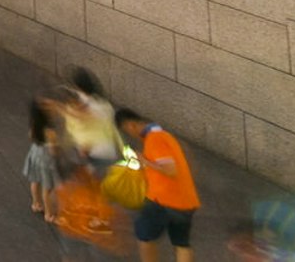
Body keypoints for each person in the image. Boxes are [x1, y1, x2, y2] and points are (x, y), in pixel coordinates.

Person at [117, 109, 199, 262]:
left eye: (126, 130)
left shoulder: (155, 139)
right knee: (181, 243)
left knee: (144, 237)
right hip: (186, 201)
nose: (130, 134)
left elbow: (170, 169)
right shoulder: (165, 136)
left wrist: (144, 161)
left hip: (163, 200)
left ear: (130, 125)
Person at [65, 68, 121, 175]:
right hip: (105, 151)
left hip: (93, 153)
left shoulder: (91, 107)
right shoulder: (103, 103)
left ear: (77, 87)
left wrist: (85, 146)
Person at [24, 98, 61, 223]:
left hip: (35, 153)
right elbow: (53, 150)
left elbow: (31, 136)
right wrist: (58, 150)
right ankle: (49, 214)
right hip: (46, 160)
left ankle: (36, 203)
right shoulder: (50, 132)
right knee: (48, 188)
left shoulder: (34, 124)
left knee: (35, 180)